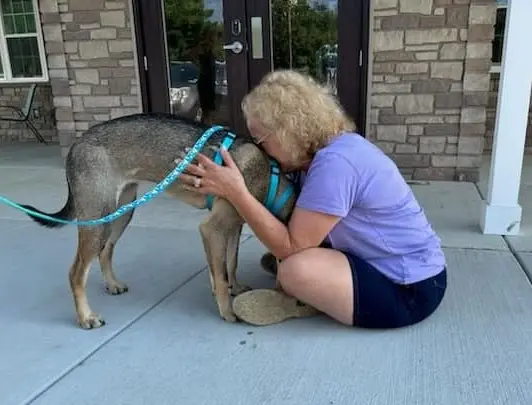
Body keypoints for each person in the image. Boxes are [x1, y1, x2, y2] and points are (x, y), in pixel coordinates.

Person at [180, 69, 447, 329]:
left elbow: (291, 246)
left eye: (260, 139)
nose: (259, 149)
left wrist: (236, 192)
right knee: (289, 257)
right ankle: (326, 288)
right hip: (376, 262)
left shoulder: (336, 164)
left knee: (295, 269)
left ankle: (298, 302)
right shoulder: (319, 155)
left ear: (287, 132)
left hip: (409, 288)